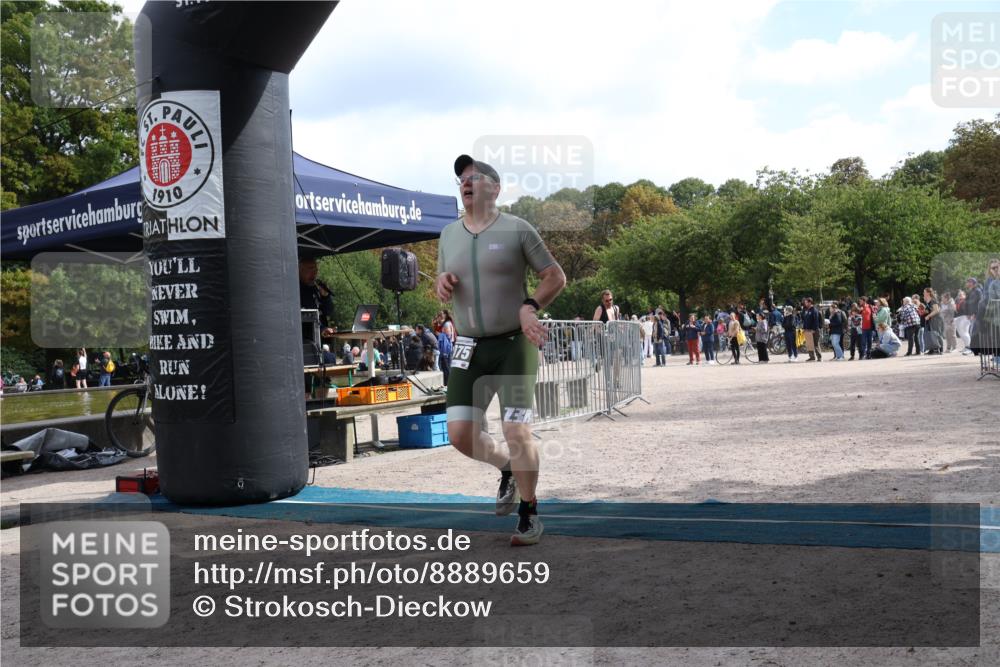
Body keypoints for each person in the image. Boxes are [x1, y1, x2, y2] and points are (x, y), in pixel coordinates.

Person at [436, 154, 566, 546]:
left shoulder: (517, 229)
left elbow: (555, 276)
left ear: (494, 188)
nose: (465, 182)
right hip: (469, 347)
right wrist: (441, 282)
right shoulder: (447, 234)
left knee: (515, 428)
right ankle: (508, 469)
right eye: (461, 179)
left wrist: (530, 307)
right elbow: (442, 284)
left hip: (514, 344)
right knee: (460, 434)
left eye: (474, 177)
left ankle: (529, 513)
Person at [299, 257, 336, 341]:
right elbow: (305, 316)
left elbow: (329, 312)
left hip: (321, 339)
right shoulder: (297, 290)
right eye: (310, 269)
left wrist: (325, 296)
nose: (314, 272)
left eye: (316, 269)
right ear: (300, 270)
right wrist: (321, 329)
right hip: (307, 340)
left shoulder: (316, 288)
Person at [801, 297, 823, 362]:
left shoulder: (814, 310)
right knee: (809, 343)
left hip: (814, 330)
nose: (805, 304)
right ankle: (812, 357)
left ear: (810, 302)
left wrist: (814, 329)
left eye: (806, 302)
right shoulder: (806, 310)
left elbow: (816, 321)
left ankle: (819, 357)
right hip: (807, 330)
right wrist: (804, 328)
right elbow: (805, 320)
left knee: (816, 344)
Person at [922, 288, 943, 354]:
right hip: (931, 320)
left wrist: (928, 316)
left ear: (928, 293)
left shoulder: (933, 300)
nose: (923, 293)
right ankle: (932, 349)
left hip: (936, 319)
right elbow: (931, 310)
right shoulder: (927, 301)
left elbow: (936, 310)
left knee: (937, 334)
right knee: (930, 334)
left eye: (924, 292)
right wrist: (926, 312)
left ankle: (940, 349)